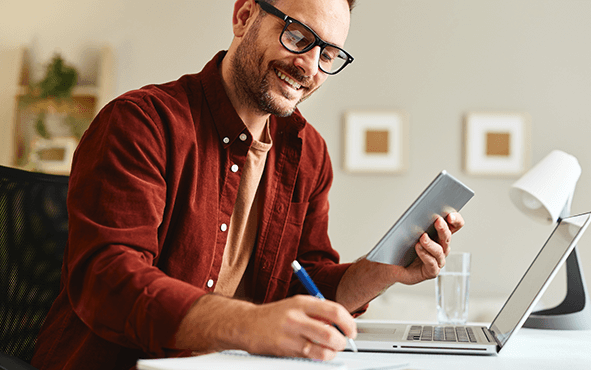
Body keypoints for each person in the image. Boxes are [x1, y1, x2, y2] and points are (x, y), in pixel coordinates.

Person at [31, 0, 465, 369]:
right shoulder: (141, 122)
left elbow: (306, 284)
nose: (309, 67)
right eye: (298, 36)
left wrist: (384, 271)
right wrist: (251, 325)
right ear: (243, 16)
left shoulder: (307, 152)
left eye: (329, 54)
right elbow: (108, 282)